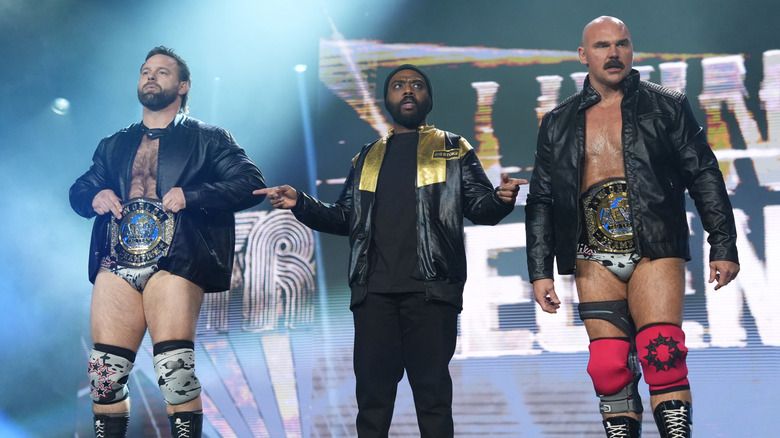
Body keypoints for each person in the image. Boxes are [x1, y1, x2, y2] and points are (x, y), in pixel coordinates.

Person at [255, 64, 526, 437]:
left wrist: (501, 198)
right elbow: (344, 217)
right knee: (372, 400)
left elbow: (481, 209)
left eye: (417, 85)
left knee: (432, 398)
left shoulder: (452, 147)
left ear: (429, 98)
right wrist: (300, 201)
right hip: (374, 294)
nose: (408, 91)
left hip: (431, 292)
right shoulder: (367, 157)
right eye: (399, 86)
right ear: (387, 100)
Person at [525, 17, 740, 438]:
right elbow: (542, 200)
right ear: (583, 56)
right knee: (607, 366)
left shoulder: (667, 105)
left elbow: (705, 176)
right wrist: (539, 269)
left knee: (663, 354)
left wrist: (724, 244)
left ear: (632, 50)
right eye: (602, 46)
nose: (613, 53)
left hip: (655, 249)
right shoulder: (558, 121)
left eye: (622, 44)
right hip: (591, 255)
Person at [70, 46, 266, 438]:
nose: (150, 77)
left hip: (175, 260)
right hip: (116, 261)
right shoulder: (114, 144)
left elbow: (252, 185)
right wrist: (94, 197)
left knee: (174, 372)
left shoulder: (209, 139)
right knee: (104, 377)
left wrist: (193, 195)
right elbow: (80, 190)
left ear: (183, 85)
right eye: (145, 71)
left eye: (162, 71)